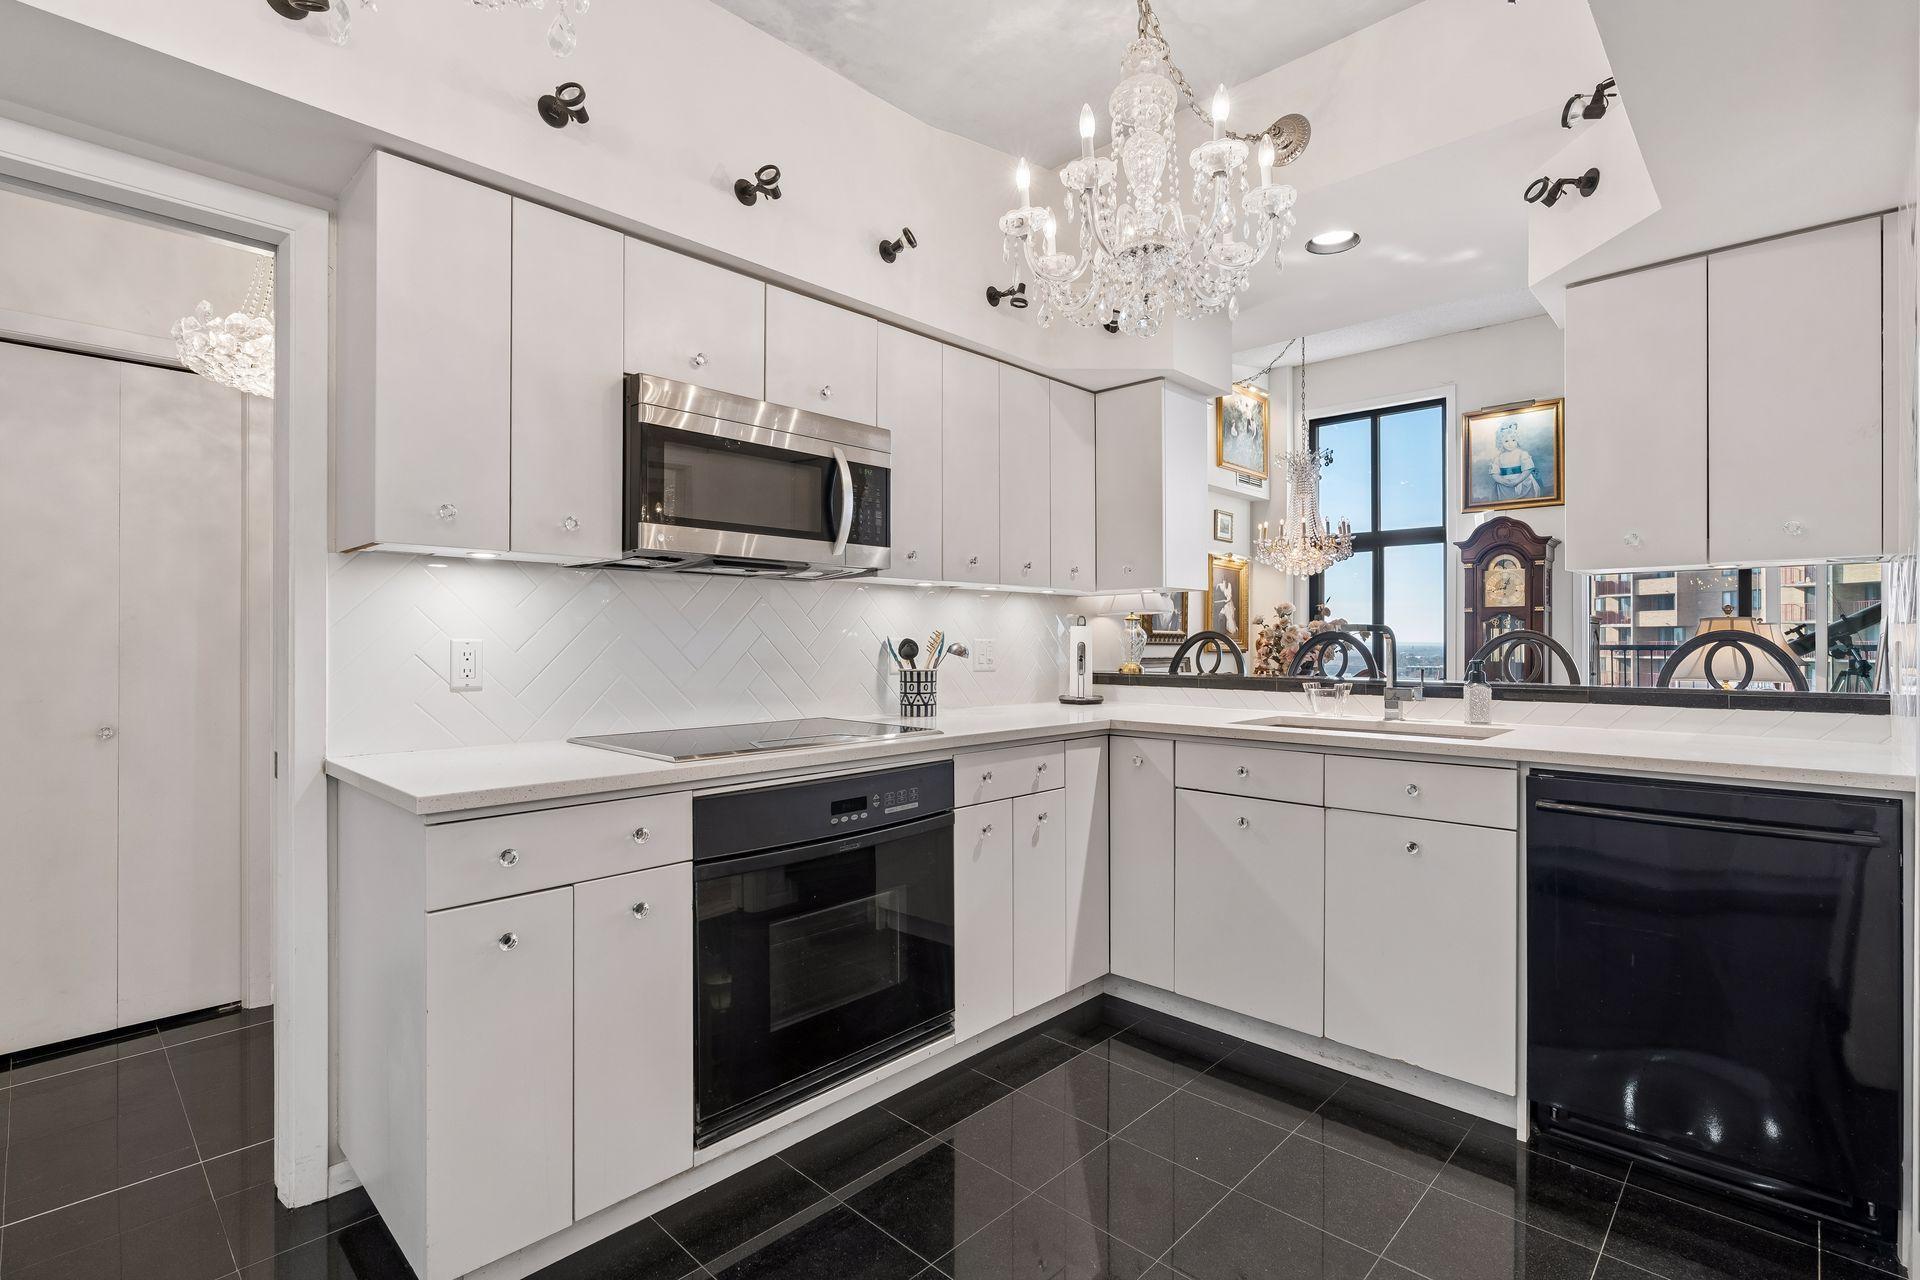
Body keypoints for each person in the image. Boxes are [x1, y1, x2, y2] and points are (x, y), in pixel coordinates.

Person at [1489, 420, 1540, 501]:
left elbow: (1528, 469)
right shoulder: (1498, 458)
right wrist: (1503, 481)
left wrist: (1517, 481)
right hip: (1505, 486)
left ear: (1517, 440)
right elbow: (1494, 473)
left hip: (1522, 482)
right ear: (1500, 442)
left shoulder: (1522, 454)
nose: (1510, 443)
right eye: (1506, 441)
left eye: (1513, 440)